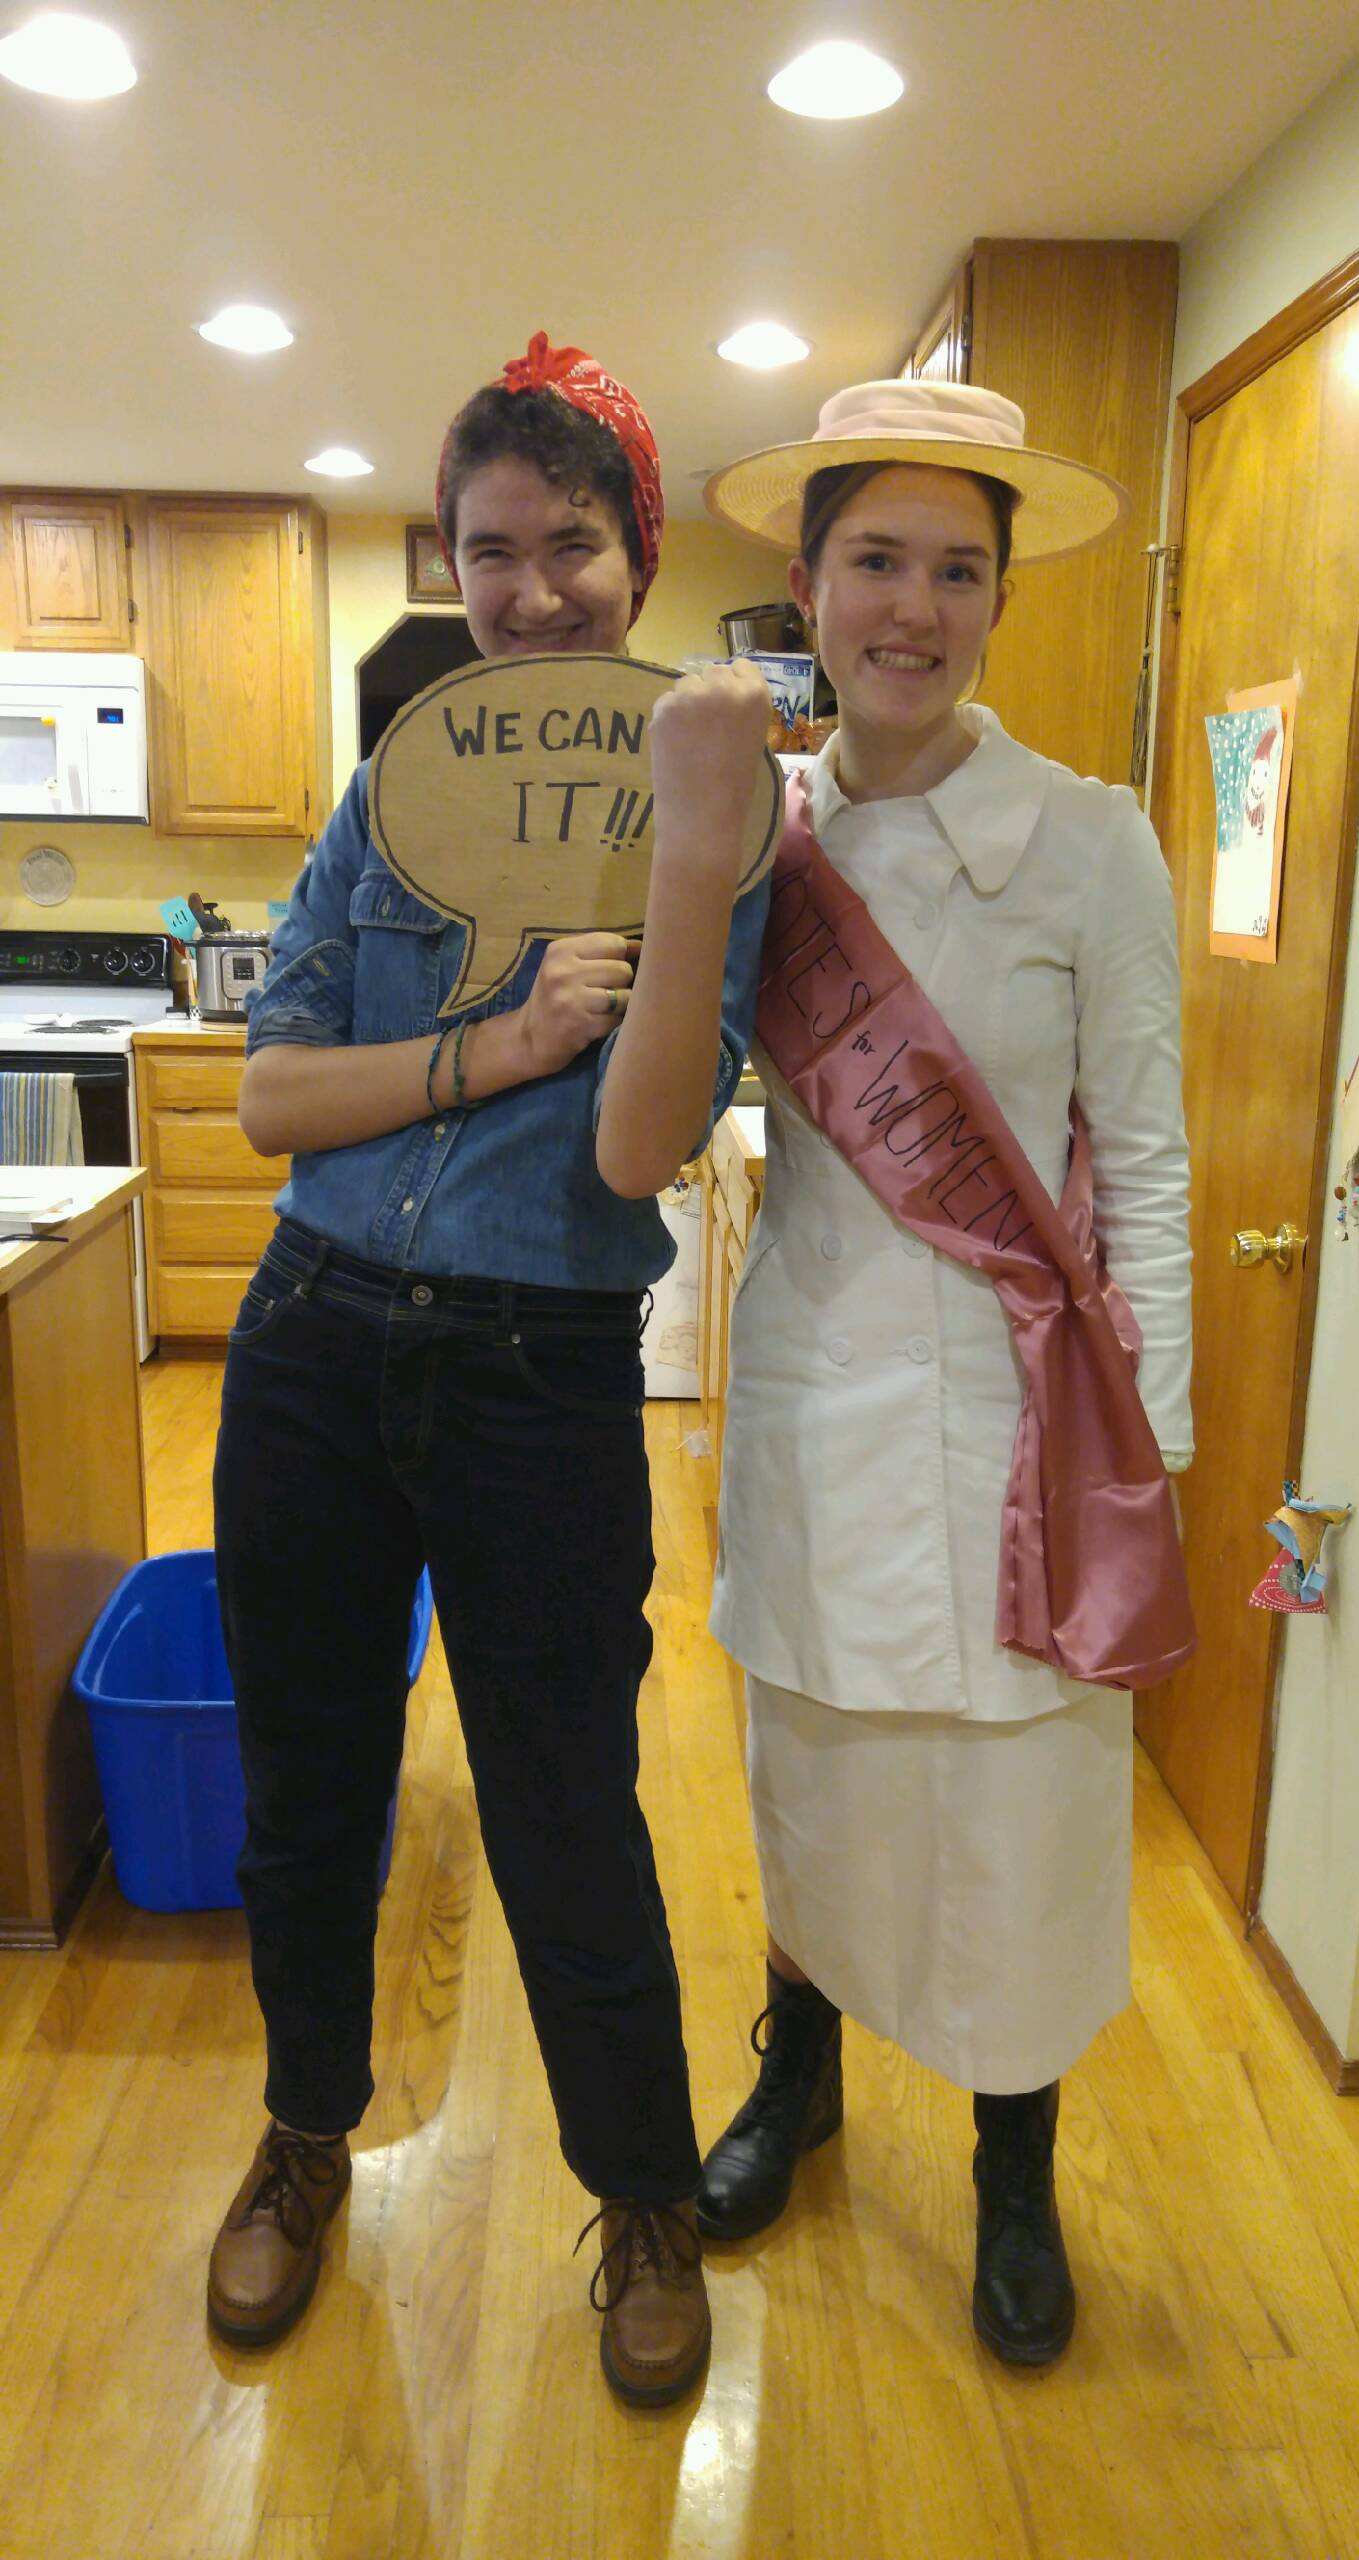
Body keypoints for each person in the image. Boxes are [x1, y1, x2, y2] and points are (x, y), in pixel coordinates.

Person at [207, 332, 773, 2407]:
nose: (530, 590)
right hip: (311, 1348)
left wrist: (696, 871)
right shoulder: (394, 791)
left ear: (638, 551)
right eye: (489, 551)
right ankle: (300, 2130)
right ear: (453, 563)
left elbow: (641, 1147)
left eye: (572, 545)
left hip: (539, 1371)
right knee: (307, 1791)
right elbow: (272, 1095)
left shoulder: (722, 821)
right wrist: (498, 1043)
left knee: (567, 1811)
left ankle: (641, 2193)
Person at [700, 377, 1194, 2367]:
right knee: (813, 1766)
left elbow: (1145, 1160)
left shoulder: (1090, 839)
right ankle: (798, 2076)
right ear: (806, 584)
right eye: (875, 561)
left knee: (1017, 1820)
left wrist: (1147, 1450)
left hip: (1023, 1421)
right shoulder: (750, 833)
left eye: (957, 569)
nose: (913, 604)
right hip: (817, 1384)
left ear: (1001, 595)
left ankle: (1012, 2165)